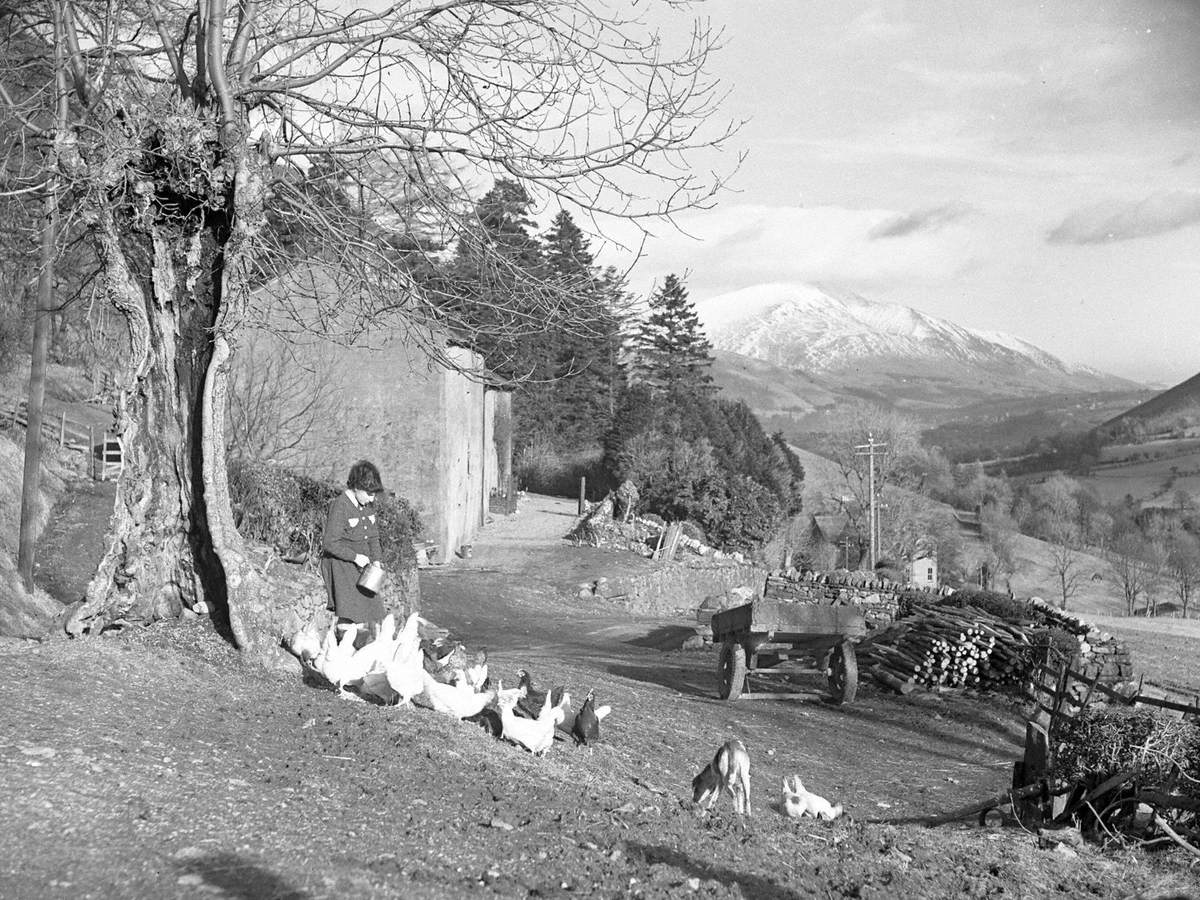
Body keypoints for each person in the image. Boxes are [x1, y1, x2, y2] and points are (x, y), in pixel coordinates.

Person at [320, 460, 386, 640]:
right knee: (349, 610)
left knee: (373, 608)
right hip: (341, 563)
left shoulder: (367, 506)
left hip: (362, 565)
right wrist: (355, 557)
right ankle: (344, 645)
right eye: (369, 494)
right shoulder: (340, 505)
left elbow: (373, 537)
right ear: (356, 486)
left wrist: (377, 560)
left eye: (374, 495)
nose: (372, 499)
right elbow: (330, 543)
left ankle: (359, 647)